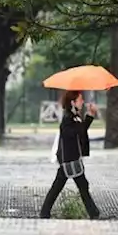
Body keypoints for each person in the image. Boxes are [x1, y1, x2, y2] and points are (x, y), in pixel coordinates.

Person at [39, 90, 101, 219]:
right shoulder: (68, 118)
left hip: (72, 159)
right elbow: (78, 131)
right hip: (69, 160)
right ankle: (93, 213)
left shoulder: (74, 116)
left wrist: (89, 115)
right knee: (68, 186)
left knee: (76, 185)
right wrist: (90, 115)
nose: (82, 102)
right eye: (80, 100)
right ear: (73, 102)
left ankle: (93, 212)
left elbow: (81, 130)